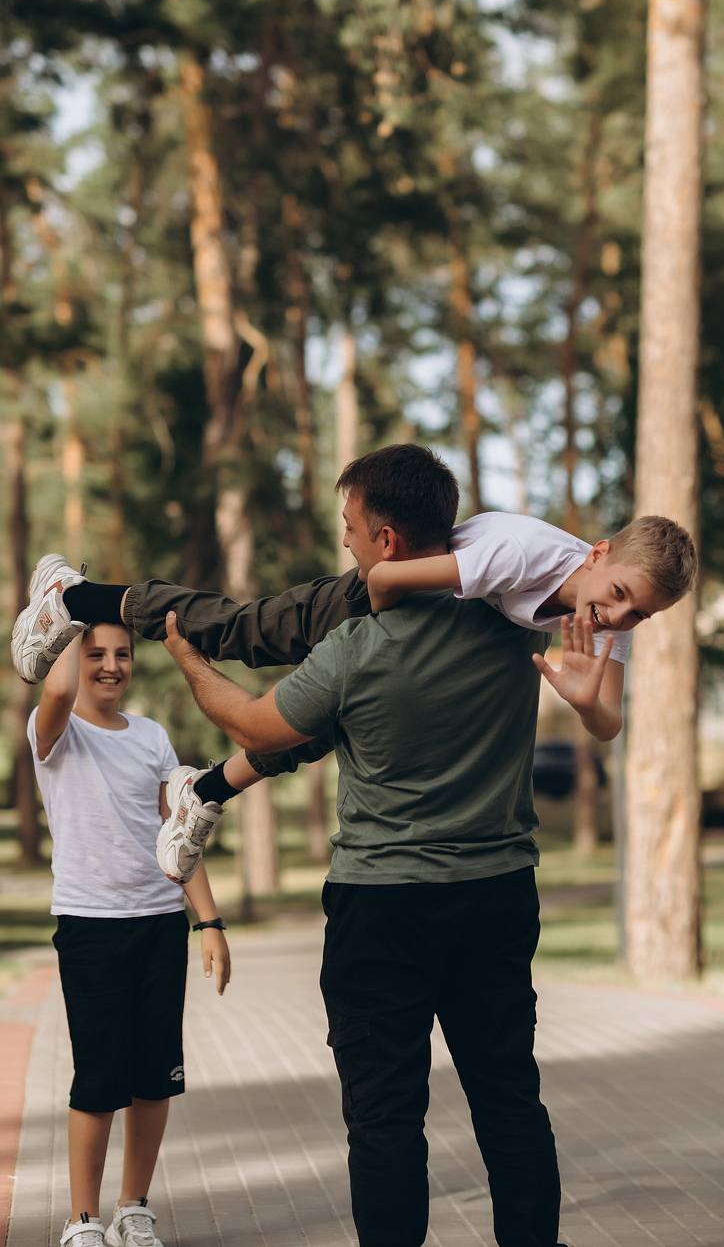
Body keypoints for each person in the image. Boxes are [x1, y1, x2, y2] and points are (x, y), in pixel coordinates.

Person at [155, 443, 576, 1247]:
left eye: (350, 528)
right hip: (495, 898)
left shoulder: (353, 649)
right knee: (509, 1101)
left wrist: (187, 659)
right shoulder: (509, 623)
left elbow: (252, 727)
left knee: (383, 1117)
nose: (344, 541)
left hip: (381, 909)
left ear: (386, 541)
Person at [11, 447, 696, 880]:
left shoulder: (605, 623)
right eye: (619, 596)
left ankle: (207, 790)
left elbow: (608, 723)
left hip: (429, 598)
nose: (620, 618)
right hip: (385, 589)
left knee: (332, 721)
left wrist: (584, 701)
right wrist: (376, 637)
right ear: (598, 554)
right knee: (242, 634)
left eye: (639, 614)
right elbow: (387, 579)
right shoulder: (519, 553)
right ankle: (73, 597)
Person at [29, 621, 231, 1247]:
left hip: (160, 924)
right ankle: (82, 1220)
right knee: (98, 1079)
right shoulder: (54, 731)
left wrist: (209, 921)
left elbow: (180, 836)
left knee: (154, 1078)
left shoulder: (151, 737)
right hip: (91, 927)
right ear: (74, 655)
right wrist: (71, 607)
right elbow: (57, 689)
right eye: (95, 654)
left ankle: (133, 1209)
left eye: (122, 654)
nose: (111, 666)